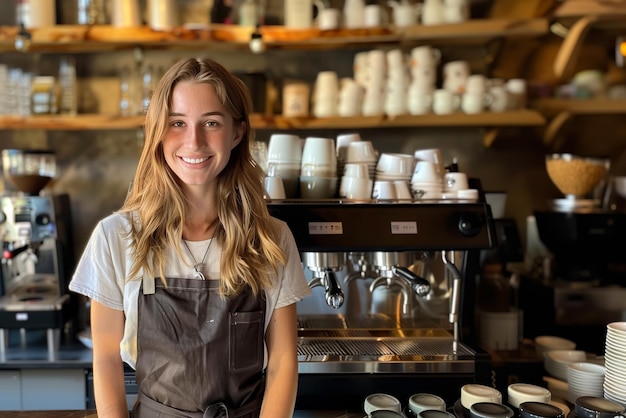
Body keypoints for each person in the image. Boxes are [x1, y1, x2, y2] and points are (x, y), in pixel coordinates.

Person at [69, 57, 311, 418]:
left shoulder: (270, 238)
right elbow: (105, 358)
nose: (193, 141)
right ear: (157, 132)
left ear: (237, 132)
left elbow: (282, 361)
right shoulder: (116, 236)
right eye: (177, 123)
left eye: (211, 122)